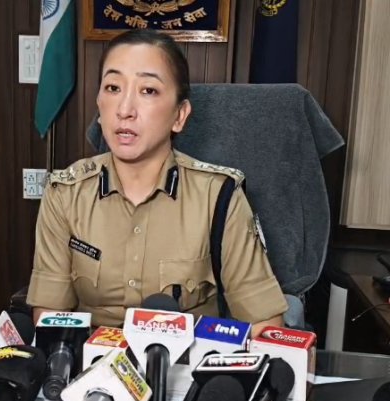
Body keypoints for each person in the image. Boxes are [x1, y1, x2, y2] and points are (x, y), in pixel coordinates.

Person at [27, 29, 287, 335]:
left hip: (188, 361)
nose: (125, 110)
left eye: (148, 90)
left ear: (180, 115)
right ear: (99, 105)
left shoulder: (219, 196)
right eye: (113, 87)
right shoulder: (65, 193)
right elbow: (49, 317)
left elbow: (265, 324)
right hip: (91, 359)